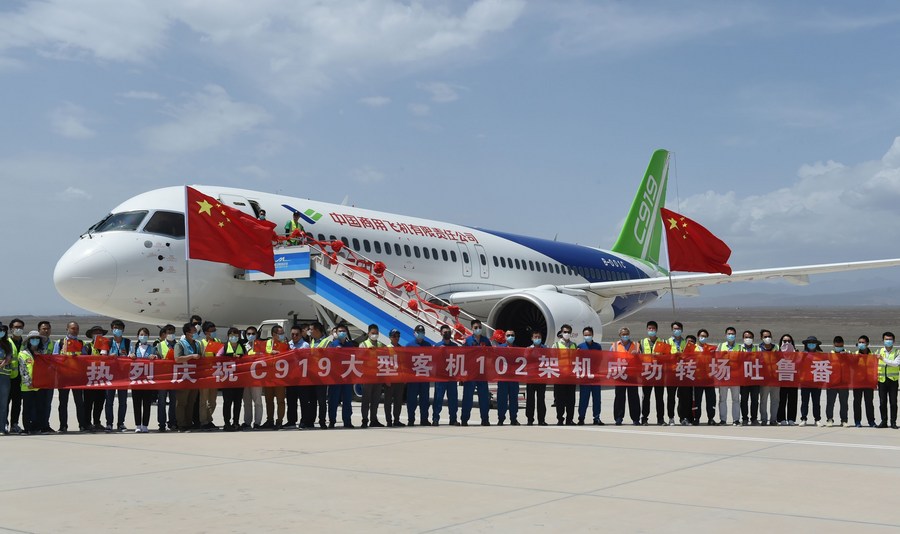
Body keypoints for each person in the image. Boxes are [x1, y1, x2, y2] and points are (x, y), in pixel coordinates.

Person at [52, 321, 89, 432]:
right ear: (67, 329)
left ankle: (82, 425)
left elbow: (86, 358)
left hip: (77, 377)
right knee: (63, 402)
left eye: (76, 329)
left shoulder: (81, 343)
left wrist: (78, 357)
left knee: (79, 402)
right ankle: (63, 426)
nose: (75, 331)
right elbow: (54, 358)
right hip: (63, 377)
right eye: (72, 328)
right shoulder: (59, 343)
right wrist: (63, 355)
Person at [102, 319, 130, 432]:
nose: (117, 330)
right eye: (115, 328)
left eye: (119, 328)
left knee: (123, 401)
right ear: (112, 329)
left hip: (123, 376)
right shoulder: (107, 342)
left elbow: (132, 355)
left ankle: (120, 423)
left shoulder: (127, 342)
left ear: (123, 330)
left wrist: (130, 356)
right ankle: (109, 423)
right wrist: (109, 356)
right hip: (110, 375)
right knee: (109, 401)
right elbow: (102, 357)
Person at [18, 330, 49, 434]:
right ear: (29, 341)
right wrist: (29, 383)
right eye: (32, 339)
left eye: (37, 339)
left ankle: (38, 427)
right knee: (27, 407)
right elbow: (23, 370)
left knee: (40, 407)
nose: (35, 340)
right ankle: (27, 428)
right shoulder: (23, 354)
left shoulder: (43, 353)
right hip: (27, 386)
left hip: (40, 384)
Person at [462, 320, 491, 427]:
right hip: (471, 373)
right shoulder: (468, 341)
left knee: (484, 397)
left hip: (482, 373)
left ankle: (485, 419)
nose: (478, 329)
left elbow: (491, 354)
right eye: (475, 327)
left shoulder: (486, 341)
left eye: (479, 327)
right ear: (472, 328)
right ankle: (464, 419)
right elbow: (463, 355)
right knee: (468, 397)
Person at [216, 327, 246, 432]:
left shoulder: (242, 347)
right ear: (228, 336)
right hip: (227, 379)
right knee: (227, 402)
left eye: (236, 335)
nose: (234, 337)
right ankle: (227, 423)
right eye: (232, 335)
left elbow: (247, 360)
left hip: (239, 379)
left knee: (238, 402)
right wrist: (231, 356)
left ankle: (236, 422)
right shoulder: (224, 347)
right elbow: (217, 357)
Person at [174, 323, 201, 432]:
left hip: (194, 377)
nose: (195, 333)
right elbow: (177, 359)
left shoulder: (197, 344)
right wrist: (191, 356)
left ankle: (188, 423)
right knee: (182, 402)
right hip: (183, 376)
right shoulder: (180, 344)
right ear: (187, 333)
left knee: (191, 402)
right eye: (194, 331)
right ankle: (181, 424)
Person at [610, 327, 641, 426]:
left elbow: (641, 359)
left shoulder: (636, 345)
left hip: (632, 375)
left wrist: (637, 355)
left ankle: (636, 419)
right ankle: (618, 418)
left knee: (634, 397)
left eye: (627, 334)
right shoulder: (615, 346)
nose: (625, 336)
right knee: (619, 397)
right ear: (620, 335)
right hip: (620, 374)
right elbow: (610, 359)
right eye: (623, 334)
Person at [129, 328, 156, 433]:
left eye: (145, 335)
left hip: (147, 379)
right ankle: (138, 425)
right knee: (136, 403)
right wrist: (130, 356)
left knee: (146, 403)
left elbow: (157, 358)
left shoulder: (152, 348)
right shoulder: (134, 348)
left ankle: (145, 425)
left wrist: (154, 356)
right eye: (141, 334)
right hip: (136, 379)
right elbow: (127, 358)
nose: (143, 336)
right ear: (137, 336)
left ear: (148, 336)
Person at [405, 325, 434, 426]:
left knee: (425, 400)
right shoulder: (409, 346)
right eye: (419, 332)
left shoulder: (428, 345)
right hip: (413, 378)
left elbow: (432, 360)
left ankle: (424, 419)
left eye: (422, 332)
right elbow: (406, 362)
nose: (421, 334)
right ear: (414, 333)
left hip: (424, 377)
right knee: (411, 400)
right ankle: (411, 419)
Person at [328, 324, 355, 428]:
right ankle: (332, 421)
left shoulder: (350, 345)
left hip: (347, 376)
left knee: (347, 400)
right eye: (340, 331)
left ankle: (347, 421)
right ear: (336, 332)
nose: (342, 333)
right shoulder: (332, 344)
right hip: (335, 377)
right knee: (333, 400)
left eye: (344, 331)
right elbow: (327, 357)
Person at [359, 324, 386, 428]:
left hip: (378, 375)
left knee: (375, 399)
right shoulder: (363, 344)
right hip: (367, 376)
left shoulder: (380, 344)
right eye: (373, 333)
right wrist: (367, 351)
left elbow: (384, 358)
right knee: (366, 399)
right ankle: (364, 419)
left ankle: (373, 419)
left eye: (376, 333)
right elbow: (359, 358)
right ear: (368, 333)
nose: (375, 335)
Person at [432, 324, 459, 426]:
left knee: (453, 399)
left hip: (452, 377)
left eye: (448, 332)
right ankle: (435, 419)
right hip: (441, 377)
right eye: (445, 332)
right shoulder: (437, 346)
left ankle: (453, 419)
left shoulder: (455, 346)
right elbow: (433, 361)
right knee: (438, 398)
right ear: (441, 333)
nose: (447, 334)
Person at [83, 325, 108, 432]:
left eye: (100, 333)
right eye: (95, 333)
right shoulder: (87, 346)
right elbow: (82, 360)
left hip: (102, 379)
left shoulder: (106, 347)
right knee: (88, 403)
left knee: (100, 402)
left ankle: (97, 422)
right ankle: (87, 423)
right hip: (90, 379)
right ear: (91, 335)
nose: (98, 335)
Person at [577, 326, 603, 425]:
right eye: (585, 335)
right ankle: (581, 417)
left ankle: (596, 417)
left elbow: (600, 359)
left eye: (589, 335)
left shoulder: (597, 346)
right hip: (585, 377)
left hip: (595, 376)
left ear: (592, 335)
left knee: (597, 399)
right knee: (584, 398)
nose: (587, 336)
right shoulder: (580, 347)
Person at [306, 323, 330, 430]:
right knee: (312, 400)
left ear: (317, 330)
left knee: (321, 400)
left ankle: (322, 421)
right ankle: (311, 420)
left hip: (322, 375)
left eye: (311, 329)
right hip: (312, 374)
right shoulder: (312, 341)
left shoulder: (327, 342)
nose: (309, 331)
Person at [263, 325, 288, 429]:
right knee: (269, 400)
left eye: (283, 333)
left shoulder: (285, 344)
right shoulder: (267, 343)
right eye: (280, 333)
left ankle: (279, 421)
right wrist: (270, 353)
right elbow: (261, 354)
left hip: (280, 376)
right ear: (274, 334)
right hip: (268, 376)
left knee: (280, 400)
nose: (282, 335)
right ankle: (270, 420)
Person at [640, 321, 665, 426]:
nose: (651, 330)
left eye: (653, 328)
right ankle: (644, 418)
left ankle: (660, 419)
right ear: (647, 329)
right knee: (646, 397)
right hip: (647, 373)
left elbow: (667, 356)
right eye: (649, 328)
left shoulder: (662, 342)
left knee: (659, 398)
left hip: (659, 373)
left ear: (656, 330)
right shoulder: (641, 342)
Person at [154, 325, 177, 432]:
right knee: (162, 401)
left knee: (174, 401)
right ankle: (162, 423)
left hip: (174, 376)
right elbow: (156, 358)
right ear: (165, 333)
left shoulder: (178, 345)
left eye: (173, 332)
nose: (171, 334)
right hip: (163, 377)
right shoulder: (159, 345)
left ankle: (172, 422)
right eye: (169, 332)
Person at [198, 321, 221, 431]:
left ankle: (208, 418)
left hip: (215, 374)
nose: (214, 333)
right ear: (206, 332)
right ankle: (204, 421)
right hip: (205, 375)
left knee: (212, 401)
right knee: (203, 400)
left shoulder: (218, 341)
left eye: (214, 330)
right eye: (212, 331)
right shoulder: (201, 343)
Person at [823, 336, 849, 427]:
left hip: (843, 382)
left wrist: (847, 356)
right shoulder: (830, 354)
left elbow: (852, 365)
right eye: (837, 346)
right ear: (833, 345)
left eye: (840, 346)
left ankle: (844, 420)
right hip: (832, 383)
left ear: (843, 344)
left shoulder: (848, 354)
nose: (839, 347)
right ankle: (829, 419)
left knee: (844, 403)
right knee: (830, 402)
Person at [554, 324, 578, 426]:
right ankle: (560, 419)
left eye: (568, 332)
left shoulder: (574, 345)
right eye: (565, 332)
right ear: (561, 332)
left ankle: (569, 419)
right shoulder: (556, 345)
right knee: (560, 400)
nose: (566, 334)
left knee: (571, 400)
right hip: (560, 377)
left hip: (571, 376)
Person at [284, 324, 307, 429]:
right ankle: (291, 421)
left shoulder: (305, 345)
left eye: (297, 334)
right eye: (292, 334)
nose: (294, 336)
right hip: (291, 377)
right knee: (291, 400)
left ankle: (304, 421)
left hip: (302, 377)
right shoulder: (288, 345)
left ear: (301, 334)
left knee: (303, 401)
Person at [692, 329, 717, 425]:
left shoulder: (711, 348)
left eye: (705, 336)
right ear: (698, 336)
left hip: (709, 378)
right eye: (701, 336)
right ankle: (696, 418)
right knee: (697, 399)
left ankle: (711, 418)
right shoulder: (693, 348)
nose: (703, 338)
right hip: (697, 378)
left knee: (711, 399)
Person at [717, 326, 741, 426]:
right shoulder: (720, 346)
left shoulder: (739, 347)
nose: (731, 335)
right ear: (725, 335)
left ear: (735, 335)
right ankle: (723, 420)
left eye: (732, 334)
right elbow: (715, 360)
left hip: (735, 377)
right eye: (729, 334)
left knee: (736, 399)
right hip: (723, 376)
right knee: (722, 399)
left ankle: (736, 419)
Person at [497, 329, 521, 426]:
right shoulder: (499, 348)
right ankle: (501, 419)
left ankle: (513, 419)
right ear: (505, 337)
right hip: (503, 378)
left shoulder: (518, 349)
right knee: (502, 399)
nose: (510, 337)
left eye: (512, 335)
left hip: (514, 378)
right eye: (508, 335)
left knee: (514, 399)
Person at [668, 321, 690, 426]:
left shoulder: (686, 342)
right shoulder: (667, 342)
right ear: (672, 330)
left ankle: (683, 418)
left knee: (683, 397)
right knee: (671, 397)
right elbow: (663, 356)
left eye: (678, 329)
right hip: (671, 373)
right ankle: (671, 417)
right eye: (675, 329)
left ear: (682, 330)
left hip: (682, 373)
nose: (676, 330)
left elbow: (690, 356)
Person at [6, 318, 25, 434]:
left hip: (20, 379)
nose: (18, 329)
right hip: (7, 378)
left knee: (17, 403)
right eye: (16, 327)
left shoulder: (25, 343)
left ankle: (14, 424)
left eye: (21, 327)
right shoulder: (6, 343)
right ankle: (4, 423)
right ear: (11, 329)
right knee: (5, 402)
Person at [799, 336, 824, 427]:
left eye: (813, 343)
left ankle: (817, 419)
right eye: (809, 343)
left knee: (816, 402)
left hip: (816, 382)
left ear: (816, 344)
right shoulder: (802, 354)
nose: (811, 344)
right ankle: (803, 418)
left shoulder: (820, 355)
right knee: (804, 402)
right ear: (806, 344)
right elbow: (797, 365)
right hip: (805, 382)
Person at [853, 335, 877, 428]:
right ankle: (857, 421)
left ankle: (871, 421)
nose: (861, 344)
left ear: (867, 343)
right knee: (857, 402)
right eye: (859, 342)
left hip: (868, 382)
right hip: (857, 382)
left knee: (869, 402)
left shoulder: (873, 355)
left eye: (863, 342)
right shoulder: (855, 354)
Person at [384, 328, 406, 427]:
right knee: (388, 401)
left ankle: (396, 419)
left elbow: (403, 364)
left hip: (399, 379)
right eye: (394, 336)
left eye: (398, 336)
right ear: (390, 337)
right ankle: (389, 420)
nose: (396, 338)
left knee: (398, 401)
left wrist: (404, 377)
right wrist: (386, 378)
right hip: (390, 378)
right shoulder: (386, 348)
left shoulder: (401, 348)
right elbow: (384, 364)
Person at [525, 330, 548, 426]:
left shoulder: (546, 348)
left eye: (539, 337)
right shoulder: (528, 349)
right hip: (531, 377)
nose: (537, 339)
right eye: (535, 337)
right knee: (530, 399)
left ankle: (541, 419)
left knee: (541, 399)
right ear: (532, 338)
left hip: (541, 377)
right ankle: (530, 419)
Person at [877, 331, 899, 429]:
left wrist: (883, 359)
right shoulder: (879, 351)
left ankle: (893, 422)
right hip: (882, 380)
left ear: (893, 341)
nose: (888, 341)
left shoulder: (897, 352)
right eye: (886, 339)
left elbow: (895, 364)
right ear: (883, 340)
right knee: (882, 402)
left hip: (893, 380)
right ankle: (884, 421)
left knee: (893, 402)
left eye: (890, 339)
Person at [757, 329, 780, 426]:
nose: (767, 338)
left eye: (769, 336)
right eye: (765, 337)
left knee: (775, 401)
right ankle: (764, 419)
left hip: (775, 379)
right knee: (763, 400)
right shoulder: (758, 348)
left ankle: (773, 420)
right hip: (764, 380)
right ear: (761, 338)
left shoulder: (776, 347)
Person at [738, 330, 760, 426]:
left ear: (753, 339)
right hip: (743, 379)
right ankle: (745, 419)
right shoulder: (739, 348)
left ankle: (754, 419)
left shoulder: (757, 349)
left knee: (755, 400)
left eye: (750, 337)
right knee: (744, 400)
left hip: (755, 378)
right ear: (743, 338)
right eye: (746, 337)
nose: (748, 339)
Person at [776, 334, 799, 425]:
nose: (787, 343)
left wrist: (796, 354)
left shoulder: (796, 352)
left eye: (789, 341)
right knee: (781, 400)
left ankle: (791, 419)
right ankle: (781, 418)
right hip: (781, 379)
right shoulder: (777, 353)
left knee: (793, 399)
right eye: (785, 341)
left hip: (792, 379)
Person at [36, 320, 54, 432]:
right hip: (37, 377)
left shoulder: (53, 343)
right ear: (39, 330)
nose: (46, 331)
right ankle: (37, 425)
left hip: (49, 378)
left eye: (48, 329)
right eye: (44, 329)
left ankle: (45, 425)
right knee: (38, 403)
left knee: (47, 403)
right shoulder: (34, 342)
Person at [0, 323, 13, 435]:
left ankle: (2, 427)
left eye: (3, 331)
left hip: (4, 376)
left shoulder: (7, 344)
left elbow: (10, 357)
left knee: (3, 404)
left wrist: (6, 360)